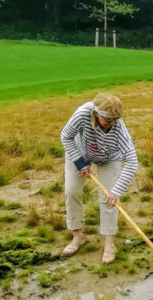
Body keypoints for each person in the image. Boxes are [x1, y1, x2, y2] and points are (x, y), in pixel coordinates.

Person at [59, 93, 138, 264]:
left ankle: (109, 244)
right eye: (109, 120)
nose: (113, 123)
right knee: (71, 191)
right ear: (96, 113)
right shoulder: (82, 114)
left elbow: (132, 161)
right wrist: (79, 162)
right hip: (79, 153)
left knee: (109, 198)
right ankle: (77, 237)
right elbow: (66, 136)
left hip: (109, 157)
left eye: (116, 119)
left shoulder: (118, 127)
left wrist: (116, 191)